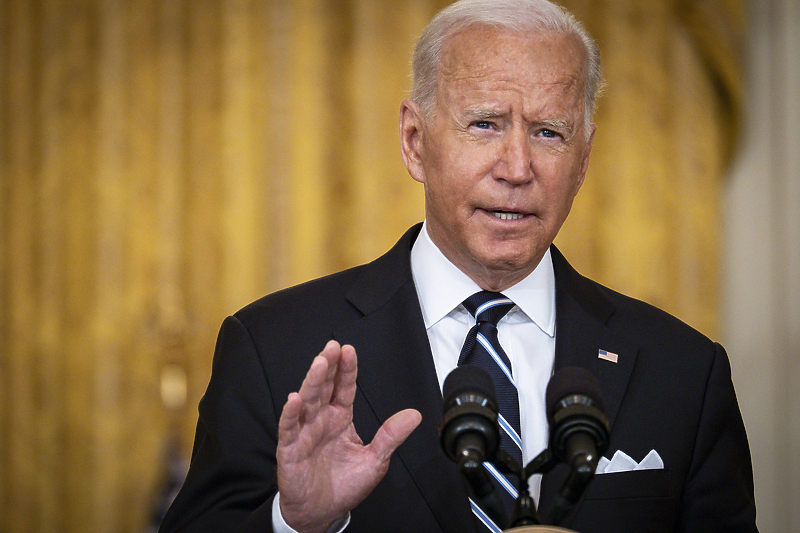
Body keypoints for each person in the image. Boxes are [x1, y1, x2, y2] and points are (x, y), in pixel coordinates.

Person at [158, 0, 758, 532]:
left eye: (550, 133)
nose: (517, 167)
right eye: (485, 124)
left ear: (584, 160)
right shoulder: (274, 348)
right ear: (415, 142)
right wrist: (293, 523)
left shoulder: (683, 372)